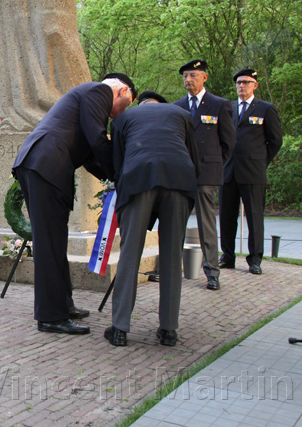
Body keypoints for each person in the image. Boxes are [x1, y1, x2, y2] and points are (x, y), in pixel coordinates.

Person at [12, 72, 137, 335]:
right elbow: (97, 138)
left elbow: (90, 154)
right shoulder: (99, 91)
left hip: (45, 166)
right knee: (48, 244)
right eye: (125, 106)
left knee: (55, 242)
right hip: (44, 165)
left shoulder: (88, 100)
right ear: (122, 91)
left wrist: (111, 176)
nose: (119, 115)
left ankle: (63, 305)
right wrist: (119, 174)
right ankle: (50, 317)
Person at [104, 91, 199, 347]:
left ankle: (120, 328)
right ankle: (169, 330)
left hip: (138, 179)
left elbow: (118, 164)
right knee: (171, 256)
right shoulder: (182, 114)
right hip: (179, 180)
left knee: (130, 254)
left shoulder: (124, 118)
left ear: (141, 105)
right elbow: (192, 154)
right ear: (162, 106)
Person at [173, 60, 235, 291]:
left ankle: (212, 273)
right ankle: (172, 270)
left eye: (193, 75)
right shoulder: (176, 106)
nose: (188, 80)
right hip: (181, 174)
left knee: (206, 225)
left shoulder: (219, 105)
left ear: (204, 77)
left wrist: (214, 165)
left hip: (207, 174)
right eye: (185, 76)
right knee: (176, 223)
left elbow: (228, 143)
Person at [219, 69, 283, 275]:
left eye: (246, 82)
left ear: (255, 85)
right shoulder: (229, 107)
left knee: (254, 217)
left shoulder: (265, 109)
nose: (241, 86)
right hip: (228, 171)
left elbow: (275, 141)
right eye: (238, 82)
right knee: (227, 217)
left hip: (253, 172)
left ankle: (255, 259)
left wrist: (261, 162)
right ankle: (227, 256)